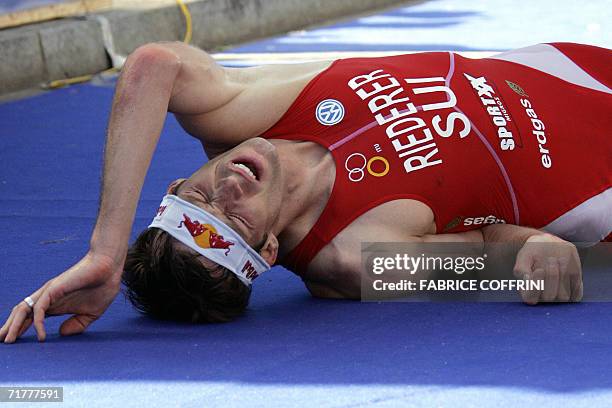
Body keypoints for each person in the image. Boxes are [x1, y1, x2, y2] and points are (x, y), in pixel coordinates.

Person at [1, 41, 610, 343]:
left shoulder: (249, 114)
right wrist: (533, 252)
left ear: (175, 181)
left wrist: (106, 251)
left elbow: (153, 62)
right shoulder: (354, 257)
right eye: (229, 219)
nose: (227, 186)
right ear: (267, 251)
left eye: (198, 194)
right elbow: (495, 253)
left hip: (575, 68)